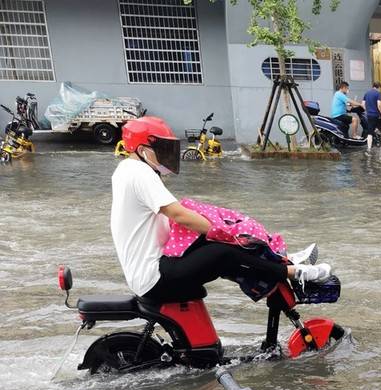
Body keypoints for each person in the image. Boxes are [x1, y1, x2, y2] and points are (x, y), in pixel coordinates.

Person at [110, 116, 330, 303]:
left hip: (157, 267)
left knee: (222, 242)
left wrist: (222, 231)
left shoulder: (127, 171)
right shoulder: (138, 172)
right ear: (142, 149)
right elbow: (179, 215)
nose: (167, 154)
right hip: (154, 275)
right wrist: (226, 234)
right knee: (223, 250)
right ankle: (292, 271)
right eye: (162, 148)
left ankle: (282, 259)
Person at [363, 81, 381, 146]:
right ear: (378, 87)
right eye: (380, 88)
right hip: (377, 115)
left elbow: (363, 104)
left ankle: (369, 148)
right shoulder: (378, 93)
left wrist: (367, 111)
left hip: (369, 115)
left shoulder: (367, 93)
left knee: (370, 132)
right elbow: (379, 105)